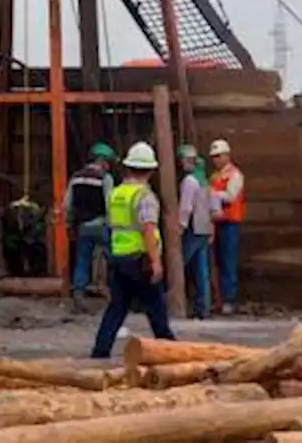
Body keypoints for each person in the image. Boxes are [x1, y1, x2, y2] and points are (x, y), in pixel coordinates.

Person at [90, 141, 176, 358]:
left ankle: (101, 349)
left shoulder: (117, 194)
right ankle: (170, 349)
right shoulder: (144, 196)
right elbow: (147, 229)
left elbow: (112, 224)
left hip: (119, 256)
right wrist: (156, 262)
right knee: (156, 308)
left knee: (117, 308)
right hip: (140, 258)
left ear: (128, 167)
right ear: (150, 170)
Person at [63, 141, 116, 309]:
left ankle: (79, 293)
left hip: (83, 226)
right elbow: (109, 204)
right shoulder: (105, 179)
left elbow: (67, 204)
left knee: (82, 260)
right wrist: (113, 226)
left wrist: (69, 223)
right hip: (101, 225)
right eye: (107, 162)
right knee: (113, 258)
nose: (108, 166)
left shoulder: (76, 177)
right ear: (102, 161)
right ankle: (114, 292)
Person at [208, 138, 244, 315]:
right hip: (216, 223)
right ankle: (219, 299)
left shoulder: (235, 175)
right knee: (218, 262)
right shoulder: (215, 176)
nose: (216, 159)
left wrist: (212, 194)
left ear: (227, 155)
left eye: (218, 155)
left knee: (228, 261)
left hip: (230, 222)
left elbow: (231, 196)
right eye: (214, 156)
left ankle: (229, 299)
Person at [177, 145, 213, 319]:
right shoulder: (204, 180)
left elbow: (186, 207)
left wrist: (180, 226)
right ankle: (202, 308)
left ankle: (175, 303)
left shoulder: (190, 181)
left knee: (179, 264)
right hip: (204, 227)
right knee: (201, 269)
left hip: (192, 228)